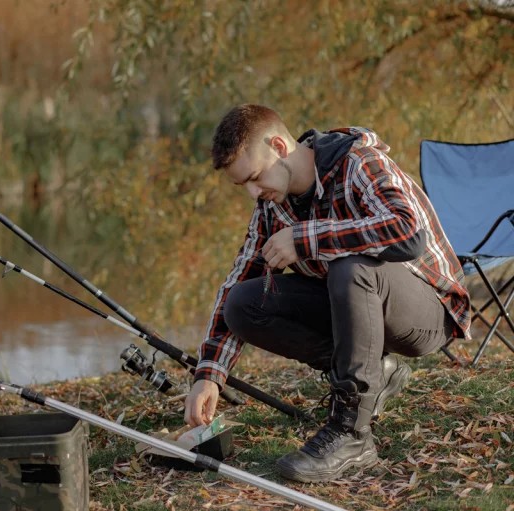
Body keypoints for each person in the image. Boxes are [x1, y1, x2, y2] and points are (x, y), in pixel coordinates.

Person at [183, 104, 470, 483]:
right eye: (243, 186)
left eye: (255, 177)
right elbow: (239, 279)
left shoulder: (358, 163)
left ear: (279, 146)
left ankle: (352, 434)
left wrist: (307, 239)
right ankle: (375, 374)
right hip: (358, 301)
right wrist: (209, 374)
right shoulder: (272, 207)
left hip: (428, 310)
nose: (254, 192)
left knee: (350, 266)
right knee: (244, 303)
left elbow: (408, 233)